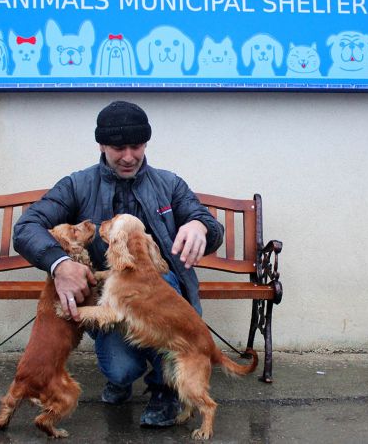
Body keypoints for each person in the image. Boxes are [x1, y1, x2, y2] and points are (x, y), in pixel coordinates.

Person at [13, 101, 224, 428]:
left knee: (164, 284)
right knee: (121, 369)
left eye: (136, 146)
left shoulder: (169, 184)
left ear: (145, 144)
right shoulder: (77, 185)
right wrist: (59, 265)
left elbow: (207, 225)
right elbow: (27, 228)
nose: (128, 156)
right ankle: (122, 378)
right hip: (110, 298)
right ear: (101, 145)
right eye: (118, 147)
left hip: (162, 298)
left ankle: (164, 389)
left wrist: (200, 226)